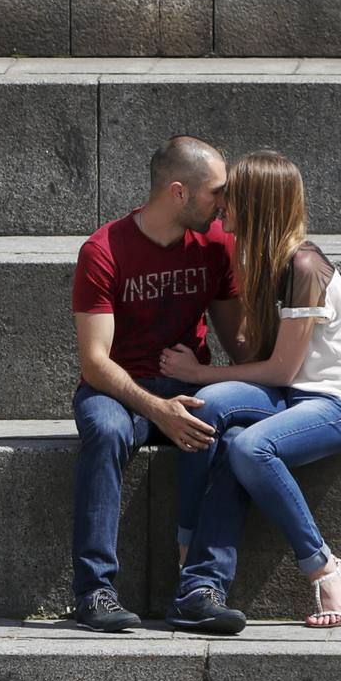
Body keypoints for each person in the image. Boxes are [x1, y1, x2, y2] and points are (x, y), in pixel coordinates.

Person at [158, 150, 341, 634]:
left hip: (339, 402)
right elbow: (257, 362)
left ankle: (321, 564)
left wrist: (196, 372)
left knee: (249, 446)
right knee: (206, 410)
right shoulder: (261, 262)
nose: (220, 207)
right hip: (293, 395)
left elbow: (280, 369)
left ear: (257, 203)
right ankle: (193, 559)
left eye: (231, 197)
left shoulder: (305, 266)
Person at [69, 135, 248, 632]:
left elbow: (239, 342)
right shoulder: (104, 250)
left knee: (236, 437)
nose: (225, 203)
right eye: (217, 191)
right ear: (178, 192)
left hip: (189, 385)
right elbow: (94, 361)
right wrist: (156, 409)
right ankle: (94, 593)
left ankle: (199, 589)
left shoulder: (216, 245)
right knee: (104, 432)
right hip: (117, 390)